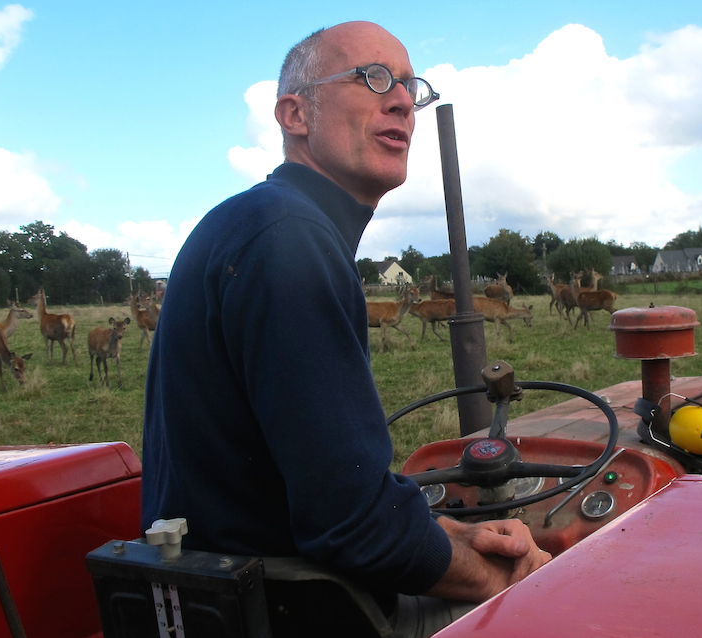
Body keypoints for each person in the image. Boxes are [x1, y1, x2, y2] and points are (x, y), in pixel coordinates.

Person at [140, 21, 549, 636]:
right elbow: (353, 526)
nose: (403, 101)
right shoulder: (289, 241)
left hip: (231, 591)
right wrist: (504, 579)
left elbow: (314, 488)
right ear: (295, 114)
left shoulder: (254, 223)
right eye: (374, 78)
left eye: (413, 86)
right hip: (299, 608)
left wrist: (457, 534)